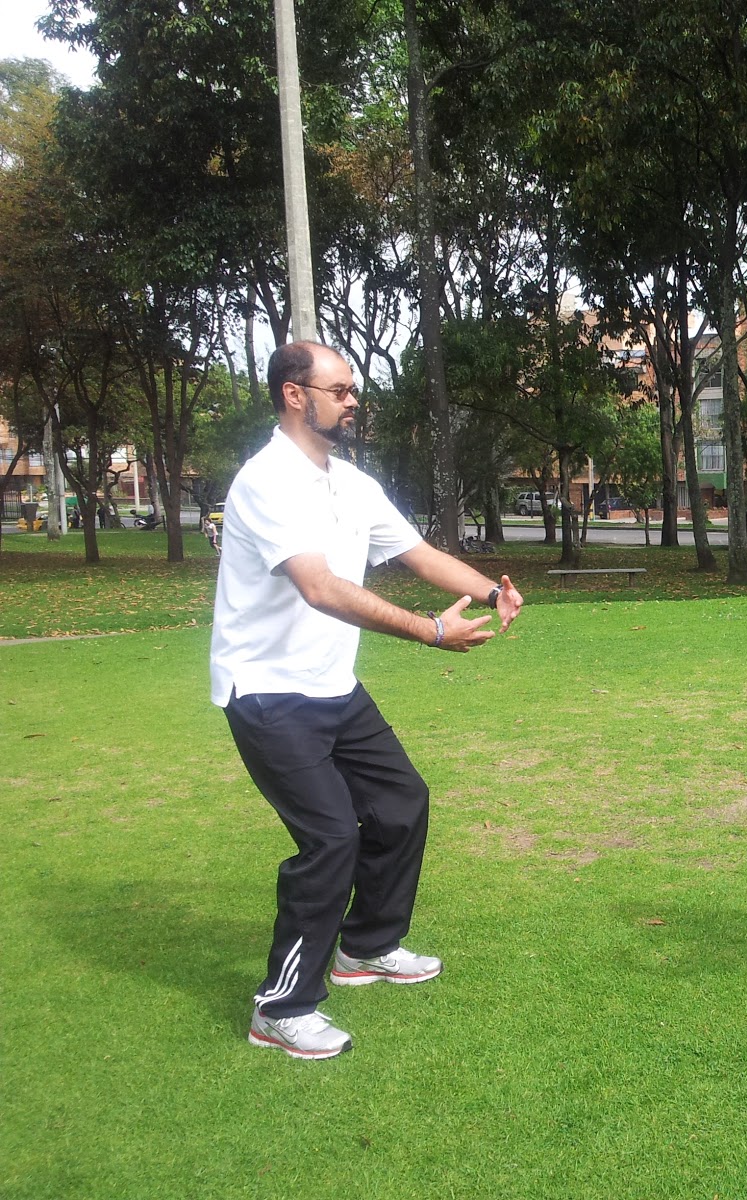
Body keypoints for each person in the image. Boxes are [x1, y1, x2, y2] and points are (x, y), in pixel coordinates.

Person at [211, 340, 524, 1060]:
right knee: (331, 839)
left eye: (353, 390)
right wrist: (429, 630)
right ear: (295, 395)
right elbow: (320, 588)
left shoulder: (349, 483)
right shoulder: (266, 482)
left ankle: (367, 947)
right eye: (340, 390)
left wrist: (490, 591)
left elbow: (417, 553)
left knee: (401, 802)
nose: (353, 401)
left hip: (333, 687)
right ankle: (281, 1008)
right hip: (268, 692)